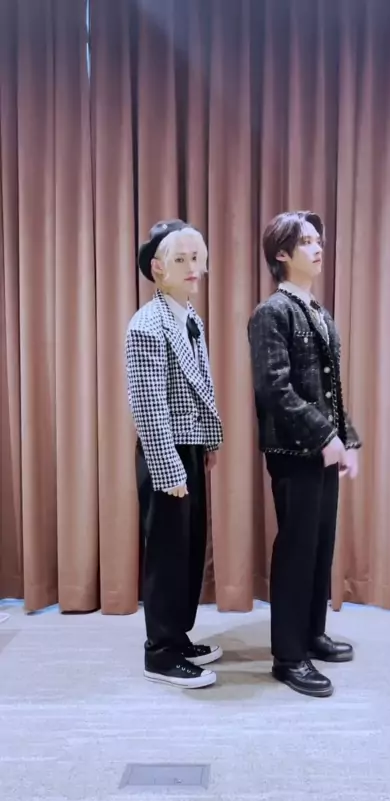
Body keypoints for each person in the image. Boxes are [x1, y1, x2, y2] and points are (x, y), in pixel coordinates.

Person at [247, 210, 361, 698]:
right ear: (282, 254)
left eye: (318, 240)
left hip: (322, 450)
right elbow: (275, 389)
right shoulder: (272, 313)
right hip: (293, 450)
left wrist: (346, 439)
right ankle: (288, 656)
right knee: (296, 549)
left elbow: (330, 390)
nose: (318, 248)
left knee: (320, 545)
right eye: (307, 241)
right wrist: (323, 436)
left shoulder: (319, 311)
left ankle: (312, 633)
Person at [125, 219, 223, 689]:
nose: (192, 268)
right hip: (165, 452)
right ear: (157, 269)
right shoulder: (147, 325)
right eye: (180, 259)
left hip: (190, 445)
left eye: (196, 258)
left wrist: (208, 441)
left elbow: (200, 385)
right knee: (166, 551)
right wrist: (169, 468)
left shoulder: (190, 318)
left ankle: (177, 635)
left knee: (189, 547)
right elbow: (149, 406)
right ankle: (160, 652)